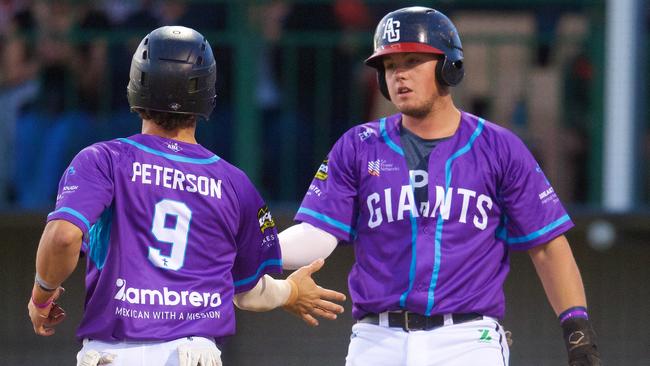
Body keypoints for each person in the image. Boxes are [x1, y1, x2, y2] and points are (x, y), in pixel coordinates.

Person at [278, 7, 601, 366]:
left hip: (467, 339)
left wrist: (577, 331)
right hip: (376, 338)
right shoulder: (358, 145)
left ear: (449, 66)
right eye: (390, 66)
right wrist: (258, 249)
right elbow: (319, 234)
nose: (400, 75)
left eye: (413, 61)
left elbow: (547, 245)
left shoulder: (499, 147)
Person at [27, 25, 345, 366]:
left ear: (137, 84)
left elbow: (62, 238)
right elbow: (248, 294)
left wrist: (42, 296)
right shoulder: (234, 183)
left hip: (113, 353)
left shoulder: (104, 159)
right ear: (206, 92)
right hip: (193, 355)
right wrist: (291, 292)